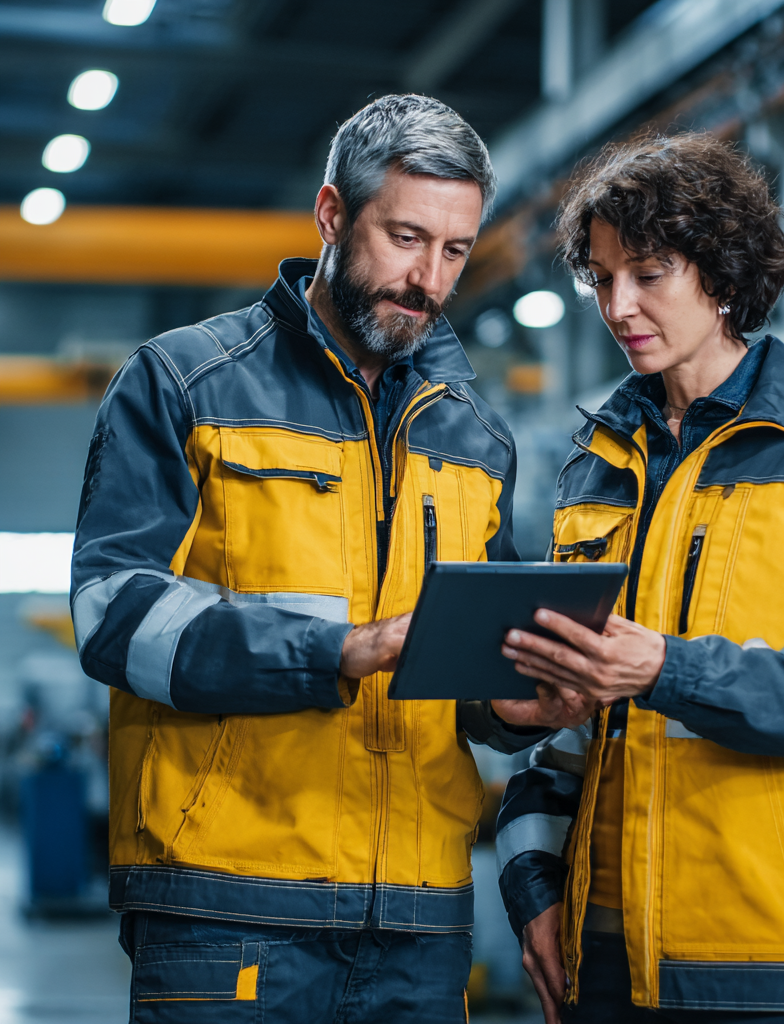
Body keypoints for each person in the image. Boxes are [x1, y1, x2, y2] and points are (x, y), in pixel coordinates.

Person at [71, 94, 590, 1024]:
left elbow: (464, 667)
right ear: (331, 215)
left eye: (455, 251)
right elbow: (114, 615)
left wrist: (512, 708)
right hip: (226, 903)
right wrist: (333, 650)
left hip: (420, 920)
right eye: (405, 237)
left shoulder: (474, 434)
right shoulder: (184, 381)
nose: (429, 278)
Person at [496, 133, 784, 1023]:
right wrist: (533, 884)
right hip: (602, 954)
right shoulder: (596, 465)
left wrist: (669, 671)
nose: (619, 305)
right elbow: (568, 720)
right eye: (602, 278)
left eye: (648, 273)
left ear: (725, 275)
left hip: (772, 957)